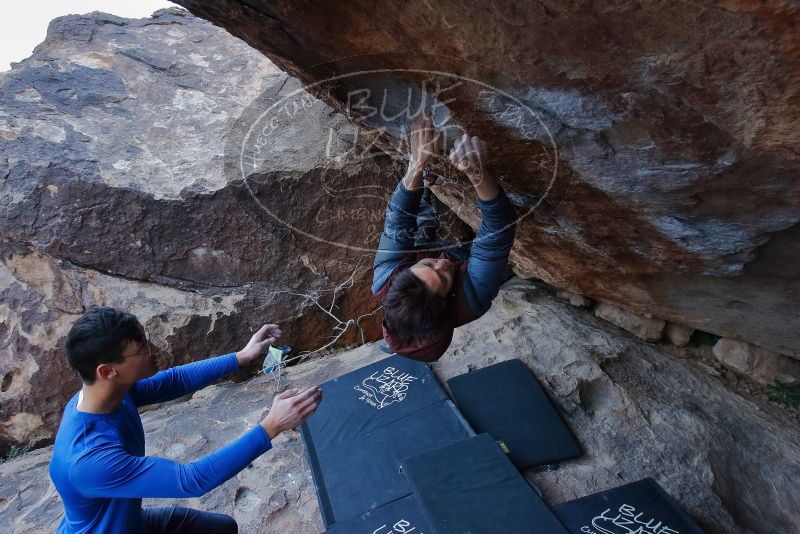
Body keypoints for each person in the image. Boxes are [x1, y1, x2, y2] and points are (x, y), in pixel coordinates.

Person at [49, 306, 322, 533]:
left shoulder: (108, 395)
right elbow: (192, 480)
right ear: (107, 371)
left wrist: (241, 357)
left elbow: (174, 380)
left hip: (130, 524)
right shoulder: (88, 459)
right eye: (141, 349)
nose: (152, 350)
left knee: (221, 529)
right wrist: (271, 425)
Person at [373, 113, 517, 362]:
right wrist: (477, 173)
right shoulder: (472, 300)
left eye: (428, 265)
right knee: (486, 259)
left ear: (403, 274)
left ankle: (427, 190)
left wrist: (417, 162)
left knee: (419, 223)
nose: (442, 263)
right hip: (469, 263)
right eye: (443, 277)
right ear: (447, 299)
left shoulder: (385, 279)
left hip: (424, 243)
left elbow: (398, 218)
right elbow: (498, 231)